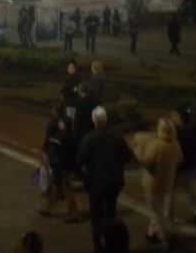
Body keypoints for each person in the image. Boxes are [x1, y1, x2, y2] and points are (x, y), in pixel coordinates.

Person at [77, 107, 131, 253]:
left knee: (96, 217)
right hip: (114, 182)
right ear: (106, 120)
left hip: (95, 183)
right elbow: (127, 157)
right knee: (111, 213)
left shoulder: (89, 139)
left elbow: (80, 160)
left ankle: (99, 247)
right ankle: (113, 245)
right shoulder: (117, 137)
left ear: (94, 121)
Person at [131, 118, 182, 246]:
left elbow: (146, 161)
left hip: (153, 182)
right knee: (157, 207)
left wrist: (136, 149)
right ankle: (152, 233)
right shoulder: (175, 144)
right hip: (167, 181)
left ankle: (167, 235)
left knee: (155, 210)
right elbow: (180, 159)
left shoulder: (157, 145)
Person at [38, 117, 78, 223]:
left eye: (61, 123)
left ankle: (74, 214)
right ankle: (48, 209)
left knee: (67, 191)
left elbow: (62, 154)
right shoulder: (71, 137)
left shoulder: (65, 139)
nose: (59, 124)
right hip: (66, 167)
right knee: (59, 189)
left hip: (65, 168)